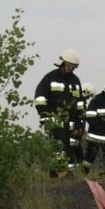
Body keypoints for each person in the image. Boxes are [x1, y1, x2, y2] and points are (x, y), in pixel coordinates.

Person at [34, 48, 83, 178]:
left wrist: (79, 124)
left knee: (68, 147)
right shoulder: (50, 77)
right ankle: (63, 171)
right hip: (53, 120)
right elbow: (39, 98)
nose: (71, 68)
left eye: (74, 66)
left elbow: (79, 104)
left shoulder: (76, 81)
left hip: (70, 123)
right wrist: (44, 115)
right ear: (62, 63)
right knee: (60, 144)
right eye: (69, 65)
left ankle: (54, 174)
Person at [73, 82, 94, 165]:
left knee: (77, 152)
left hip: (77, 133)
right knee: (74, 151)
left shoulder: (80, 102)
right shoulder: (79, 102)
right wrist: (78, 128)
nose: (88, 98)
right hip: (74, 132)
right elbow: (77, 117)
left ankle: (79, 169)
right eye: (89, 95)